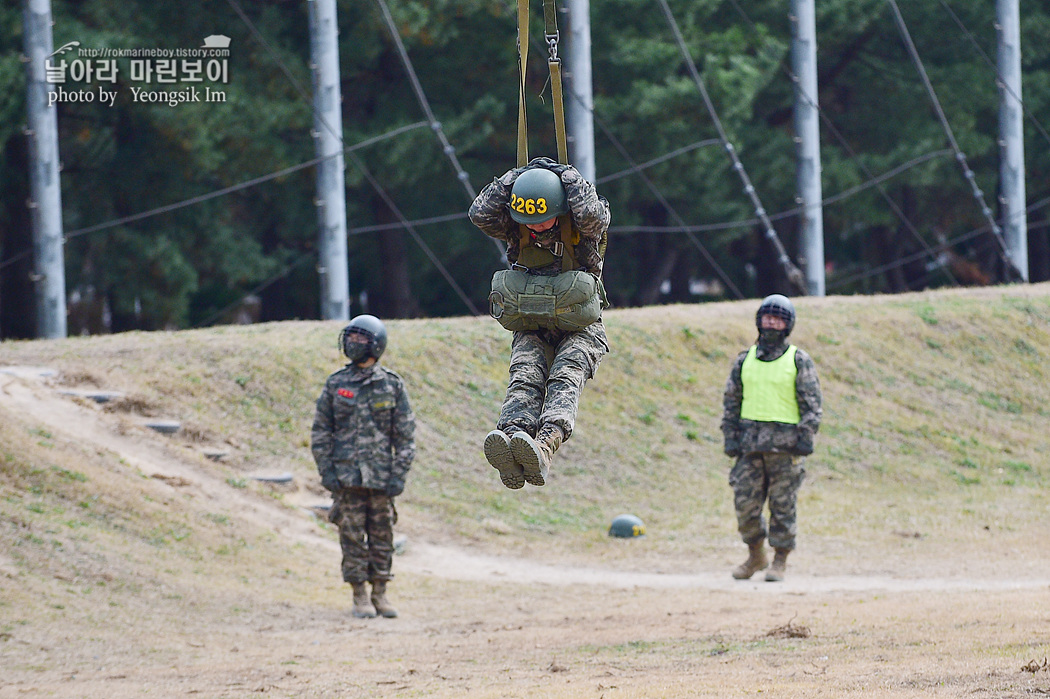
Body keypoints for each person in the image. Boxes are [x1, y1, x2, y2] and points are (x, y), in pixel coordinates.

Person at [468, 156, 610, 489]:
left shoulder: (581, 225)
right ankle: (513, 440)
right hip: (532, 321)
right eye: (529, 220)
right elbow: (479, 214)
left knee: (565, 376)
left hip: (580, 328)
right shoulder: (516, 226)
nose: (536, 228)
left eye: (544, 220)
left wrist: (566, 175)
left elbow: (593, 216)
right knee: (524, 378)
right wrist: (514, 178)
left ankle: (545, 445)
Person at [311, 315, 415, 618]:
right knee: (351, 536)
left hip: (382, 480)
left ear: (375, 345)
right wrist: (326, 471)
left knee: (383, 536)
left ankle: (380, 593)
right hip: (346, 478)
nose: (351, 344)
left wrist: (399, 475)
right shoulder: (335, 384)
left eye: (359, 339)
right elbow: (321, 431)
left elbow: (405, 436)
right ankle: (359, 596)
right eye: (350, 338)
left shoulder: (392, 386)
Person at [720, 294, 822, 582]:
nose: (771, 323)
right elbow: (731, 402)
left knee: (782, 506)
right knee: (745, 507)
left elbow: (812, 404)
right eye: (767, 318)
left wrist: (805, 436)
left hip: (785, 450)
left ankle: (779, 560)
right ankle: (755, 556)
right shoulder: (744, 360)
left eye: (778, 319)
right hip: (749, 449)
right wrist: (730, 437)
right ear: (759, 321)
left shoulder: (798, 360)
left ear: (787, 325)